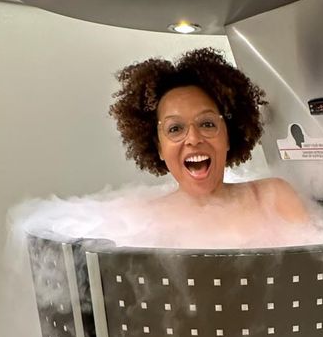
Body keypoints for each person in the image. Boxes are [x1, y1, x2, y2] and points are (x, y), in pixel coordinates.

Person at [109, 48, 309, 233]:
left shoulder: (274, 198)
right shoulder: (144, 222)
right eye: (175, 128)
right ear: (159, 147)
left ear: (228, 136)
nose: (193, 139)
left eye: (207, 124)